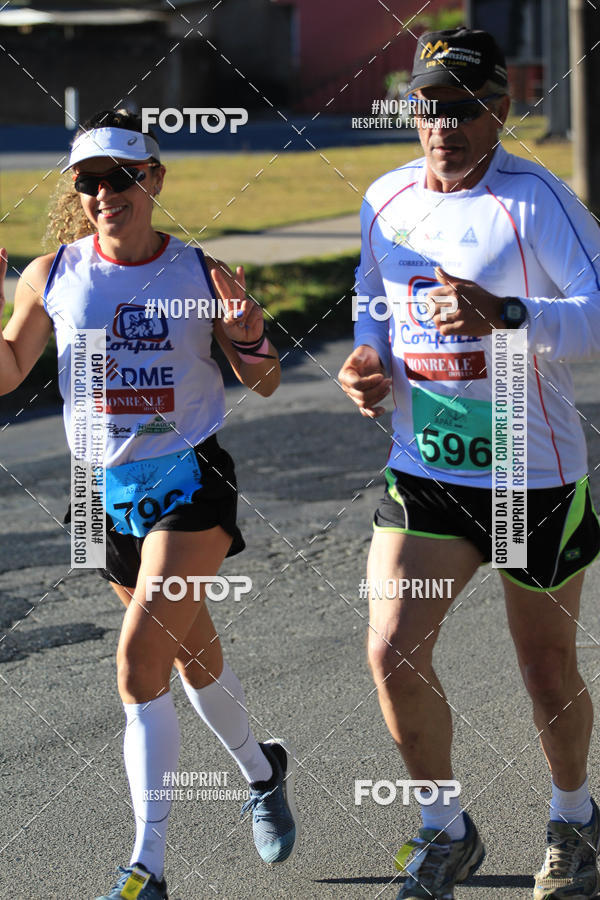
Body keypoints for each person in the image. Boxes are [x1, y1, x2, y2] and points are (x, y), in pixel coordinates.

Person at [0, 110, 298, 899]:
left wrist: (253, 333)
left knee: (137, 666)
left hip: (188, 481)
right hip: (102, 492)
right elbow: (6, 371)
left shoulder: (200, 273)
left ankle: (147, 867)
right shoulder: (51, 274)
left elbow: (264, 379)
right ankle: (264, 773)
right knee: (191, 656)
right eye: (91, 181)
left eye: (123, 176)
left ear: (154, 180)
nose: (107, 194)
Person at [338, 27, 600, 900]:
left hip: (532, 471)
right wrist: (366, 364)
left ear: (500, 110)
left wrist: (512, 315)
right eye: (427, 104)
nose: (441, 121)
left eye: (461, 105)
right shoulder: (385, 198)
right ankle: (444, 829)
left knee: (546, 668)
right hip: (428, 476)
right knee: (391, 654)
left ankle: (573, 819)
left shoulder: (535, 203)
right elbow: (371, 303)